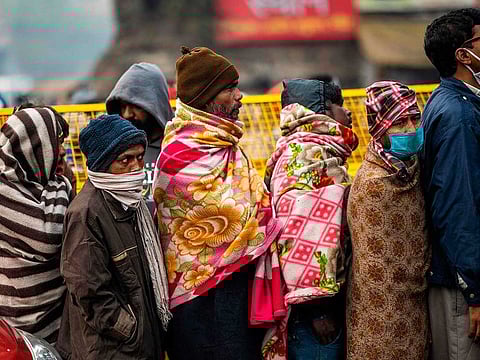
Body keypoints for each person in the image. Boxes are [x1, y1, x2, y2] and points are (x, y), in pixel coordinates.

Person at [153, 46, 283, 360]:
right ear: (206, 98)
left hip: (237, 296)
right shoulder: (177, 156)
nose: (240, 96)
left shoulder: (228, 145)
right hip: (197, 305)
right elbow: (235, 216)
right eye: (229, 89)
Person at [56, 115, 171, 360]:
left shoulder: (132, 204)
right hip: (112, 349)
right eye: (125, 160)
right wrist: (131, 330)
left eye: (140, 157)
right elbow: (90, 293)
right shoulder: (86, 213)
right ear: (102, 163)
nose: (136, 167)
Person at [261, 78, 359, 360]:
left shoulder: (309, 149)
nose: (348, 112)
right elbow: (297, 233)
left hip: (322, 299)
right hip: (315, 309)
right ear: (321, 112)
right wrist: (317, 310)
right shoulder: (307, 155)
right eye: (338, 105)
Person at [346, 81, 429, 359]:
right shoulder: (373, 183)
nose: (409, 128)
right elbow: (377, 264)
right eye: (399, 122)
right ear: (380, 128)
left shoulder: (412, 167)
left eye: (414, 118)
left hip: (416, 304)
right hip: (380, 311)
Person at [423, 8, 480, 359]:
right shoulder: (457, 115)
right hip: (463, 285)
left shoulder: (456, 102)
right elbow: (459, 204)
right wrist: (474, 290)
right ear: (463, 55)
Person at [0, 107, 72, 343]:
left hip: (55, 321)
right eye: (56, 142)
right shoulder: (3, 186)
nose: (61, 151)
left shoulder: (38, 184)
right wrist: (61, 183)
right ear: (35, 146)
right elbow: (47, 236)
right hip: (19, 326)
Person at [106, 62, 174, 211]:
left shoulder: (178, 145)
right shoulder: (117, 151)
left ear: (154, 102)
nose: (126, 114)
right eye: (123, 107)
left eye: (134, 106)